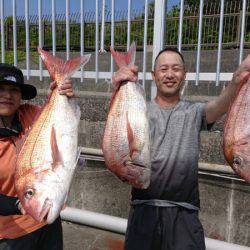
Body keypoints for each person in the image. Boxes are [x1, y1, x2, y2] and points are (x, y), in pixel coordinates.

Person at [112, 49, 250, 250]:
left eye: (176, 69)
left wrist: (239, 77)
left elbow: (222, 104)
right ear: (153, 75)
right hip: (143, 212)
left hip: (185, 215)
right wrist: (116, 88)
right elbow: (115, 136)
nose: (169, 74)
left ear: (184, 75)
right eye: (164, 69)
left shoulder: (195, 112)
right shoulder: (139, 112)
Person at [0, 63, 73, 250]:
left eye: (13, 90)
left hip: (45, 218)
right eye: (1, 89)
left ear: (20, 96)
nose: (7, 95)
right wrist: (19, 204)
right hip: (10, 234)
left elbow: (61, 123)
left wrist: (60, 93)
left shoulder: (31, 114)